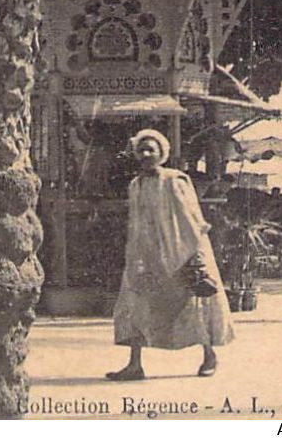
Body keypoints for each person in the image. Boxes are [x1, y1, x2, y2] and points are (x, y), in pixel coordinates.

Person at [107, 130, 233, 381]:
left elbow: (190, 218)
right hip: (145, 255)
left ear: (161, 153)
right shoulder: (135, 184)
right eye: (141, 150)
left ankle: (209, 355)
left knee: (192, 303)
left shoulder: (175, 180)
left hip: (178, 251)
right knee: (134, 305)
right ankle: (134, 364)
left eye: (150, 150)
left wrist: (194, 255)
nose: (145, 155)